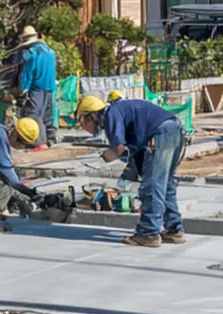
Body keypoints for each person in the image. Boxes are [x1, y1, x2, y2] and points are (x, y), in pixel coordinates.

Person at [75, 95, 185, 247]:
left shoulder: (111, 114)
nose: (83, 127)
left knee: (152, 186)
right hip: (173, 128)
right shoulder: (120, 110)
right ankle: (174, 229)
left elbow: (118, 148)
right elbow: (133, 149)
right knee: (166, 184)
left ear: (92, 116)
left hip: (160, 133)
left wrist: (104, 158)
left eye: (82, 121)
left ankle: (148, 233)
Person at [17, 26, 58, 149]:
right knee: (47, 115)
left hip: (37, 89)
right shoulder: (50, 52)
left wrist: (23, 90)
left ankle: (38, 143)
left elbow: (27, 74)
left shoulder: (31, 54)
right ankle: (51, 139)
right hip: (50, 88)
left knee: (34, 115)